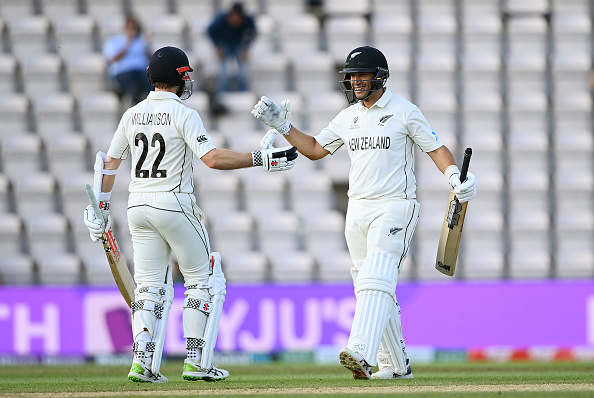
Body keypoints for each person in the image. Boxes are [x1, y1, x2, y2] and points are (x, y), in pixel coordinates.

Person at [251, 46, 477, 380]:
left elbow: (436, 147)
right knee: (370, 285)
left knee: (376, 276)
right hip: (357, 210)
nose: (356, 81)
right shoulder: (348, 117)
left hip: (395, 205)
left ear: (380, 77)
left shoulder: (404, 111)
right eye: (352, 76)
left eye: (362, 75)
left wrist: (454, 176)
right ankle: (396, 366)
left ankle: (362, 351)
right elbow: (314, 149)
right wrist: (283, 125)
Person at [83, 46, 297, 383]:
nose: (189, 82)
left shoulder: (132, 113)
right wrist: (261, 158)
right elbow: (212, 159)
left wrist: (101, 208)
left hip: (137, 206)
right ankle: (195, 362)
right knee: (201, 281)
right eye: (186, 76)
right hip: (174, 203)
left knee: (148, 288)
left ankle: (142, 362)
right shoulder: (184, 113)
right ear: (178, 78)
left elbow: (109, 163)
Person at [103, 15, 154, 105]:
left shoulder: (142, 41)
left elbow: (151, 59)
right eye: (130, 28)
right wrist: (128, 43)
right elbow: (113, 59)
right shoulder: (116, 41)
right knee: (134, 89)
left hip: (142, 71)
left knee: (152, 87)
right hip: (124, 72)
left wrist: (147, 46)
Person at [207, 2, 257, 92]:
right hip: (224, 44)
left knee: (243, 71)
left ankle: (243, 93)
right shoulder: (221, 19)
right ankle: (222, 94)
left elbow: (253, 33)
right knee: (223, 72)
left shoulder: (248, 20)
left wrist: (246, 47)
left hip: (239, 43)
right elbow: (210, 31)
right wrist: (217, 47)